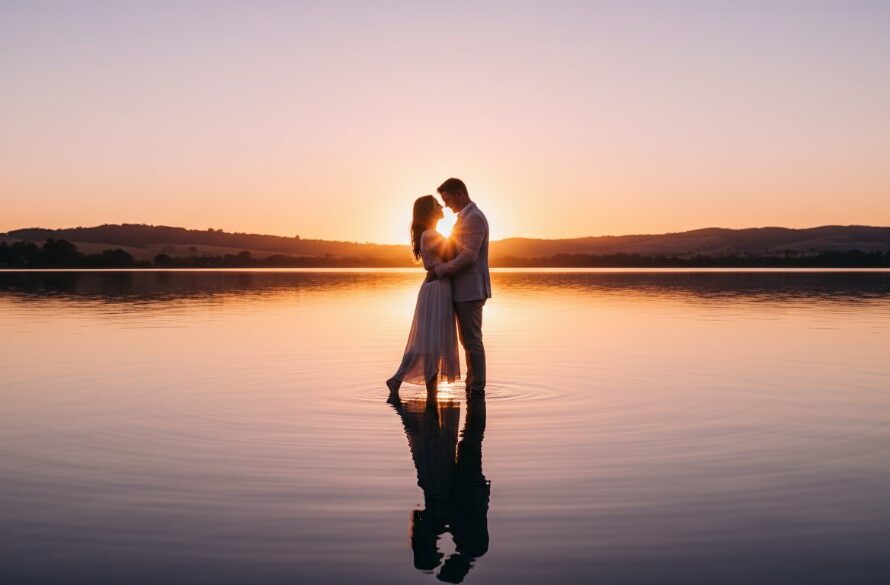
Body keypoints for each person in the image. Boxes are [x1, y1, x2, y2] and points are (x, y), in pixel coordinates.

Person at [387, 195, 461, 398]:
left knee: (431, 341)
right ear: (429, 211)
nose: (442, 206)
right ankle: (417, 388)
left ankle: (420, 389)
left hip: (438, 288)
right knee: (430, 342)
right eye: (437, 204)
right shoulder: (430, 235)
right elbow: (455, 253)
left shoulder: (432, 234)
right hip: (436, 290)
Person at [427, 178, 491, 399]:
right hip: (462, 290)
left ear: (459, 195)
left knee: (472, 340)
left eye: (447, 199)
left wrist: (440, 270)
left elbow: (469, 256)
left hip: (471, 290)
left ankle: (476, 388)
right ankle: (472, 385)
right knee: (467, 340)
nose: (446, 205)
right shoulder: (464, 218)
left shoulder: (474, 218)